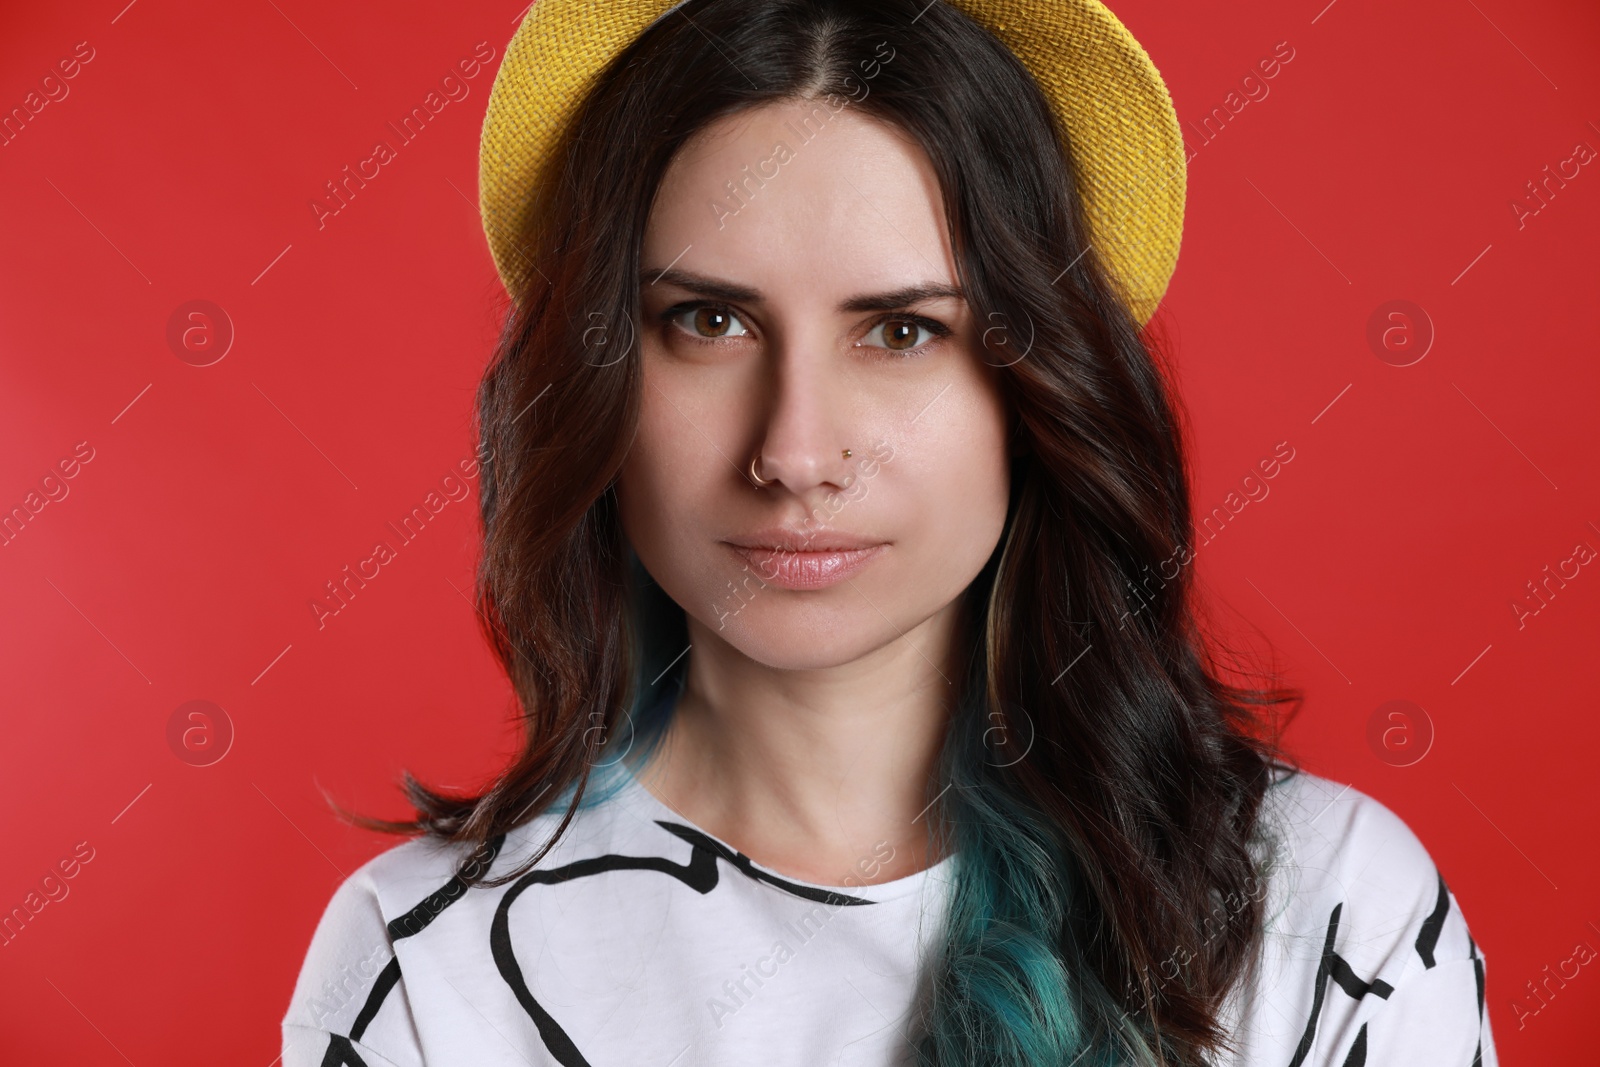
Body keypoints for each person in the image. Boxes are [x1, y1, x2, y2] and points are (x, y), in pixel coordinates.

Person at [281, 1, 1498, 1064]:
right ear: (597, 373)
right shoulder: (421, 967)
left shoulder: (1328, 918)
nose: (796, 453)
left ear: (1035, 385)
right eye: (707, 320)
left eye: (902, 330)